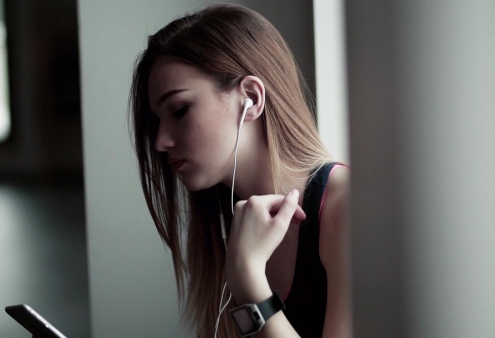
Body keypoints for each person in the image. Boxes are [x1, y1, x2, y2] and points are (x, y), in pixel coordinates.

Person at [129, 4, 351, 337]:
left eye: (178, 110)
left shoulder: (346, 208)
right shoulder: (227, 225)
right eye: (156, 122)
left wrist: (247, 278)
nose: (160, 142)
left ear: (250, 98)